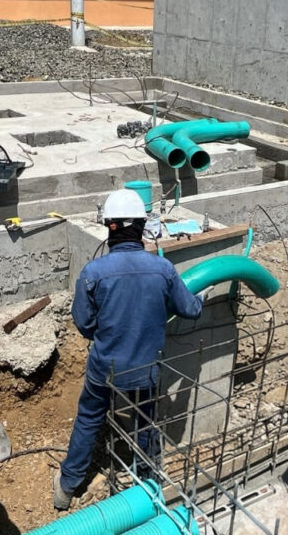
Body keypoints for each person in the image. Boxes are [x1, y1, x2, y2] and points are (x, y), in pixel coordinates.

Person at [54, 189, 203, 509]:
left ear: (110, 228)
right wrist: (201, 299)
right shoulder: (163, 269)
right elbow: (189, 309)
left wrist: (107, 334)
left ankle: (67, 486)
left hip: (104, 369)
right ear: (141, 227)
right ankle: (149, 482)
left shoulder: (93, 273)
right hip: (144, 371)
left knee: (89, 419)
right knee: (145, 421)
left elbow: (83, 323)